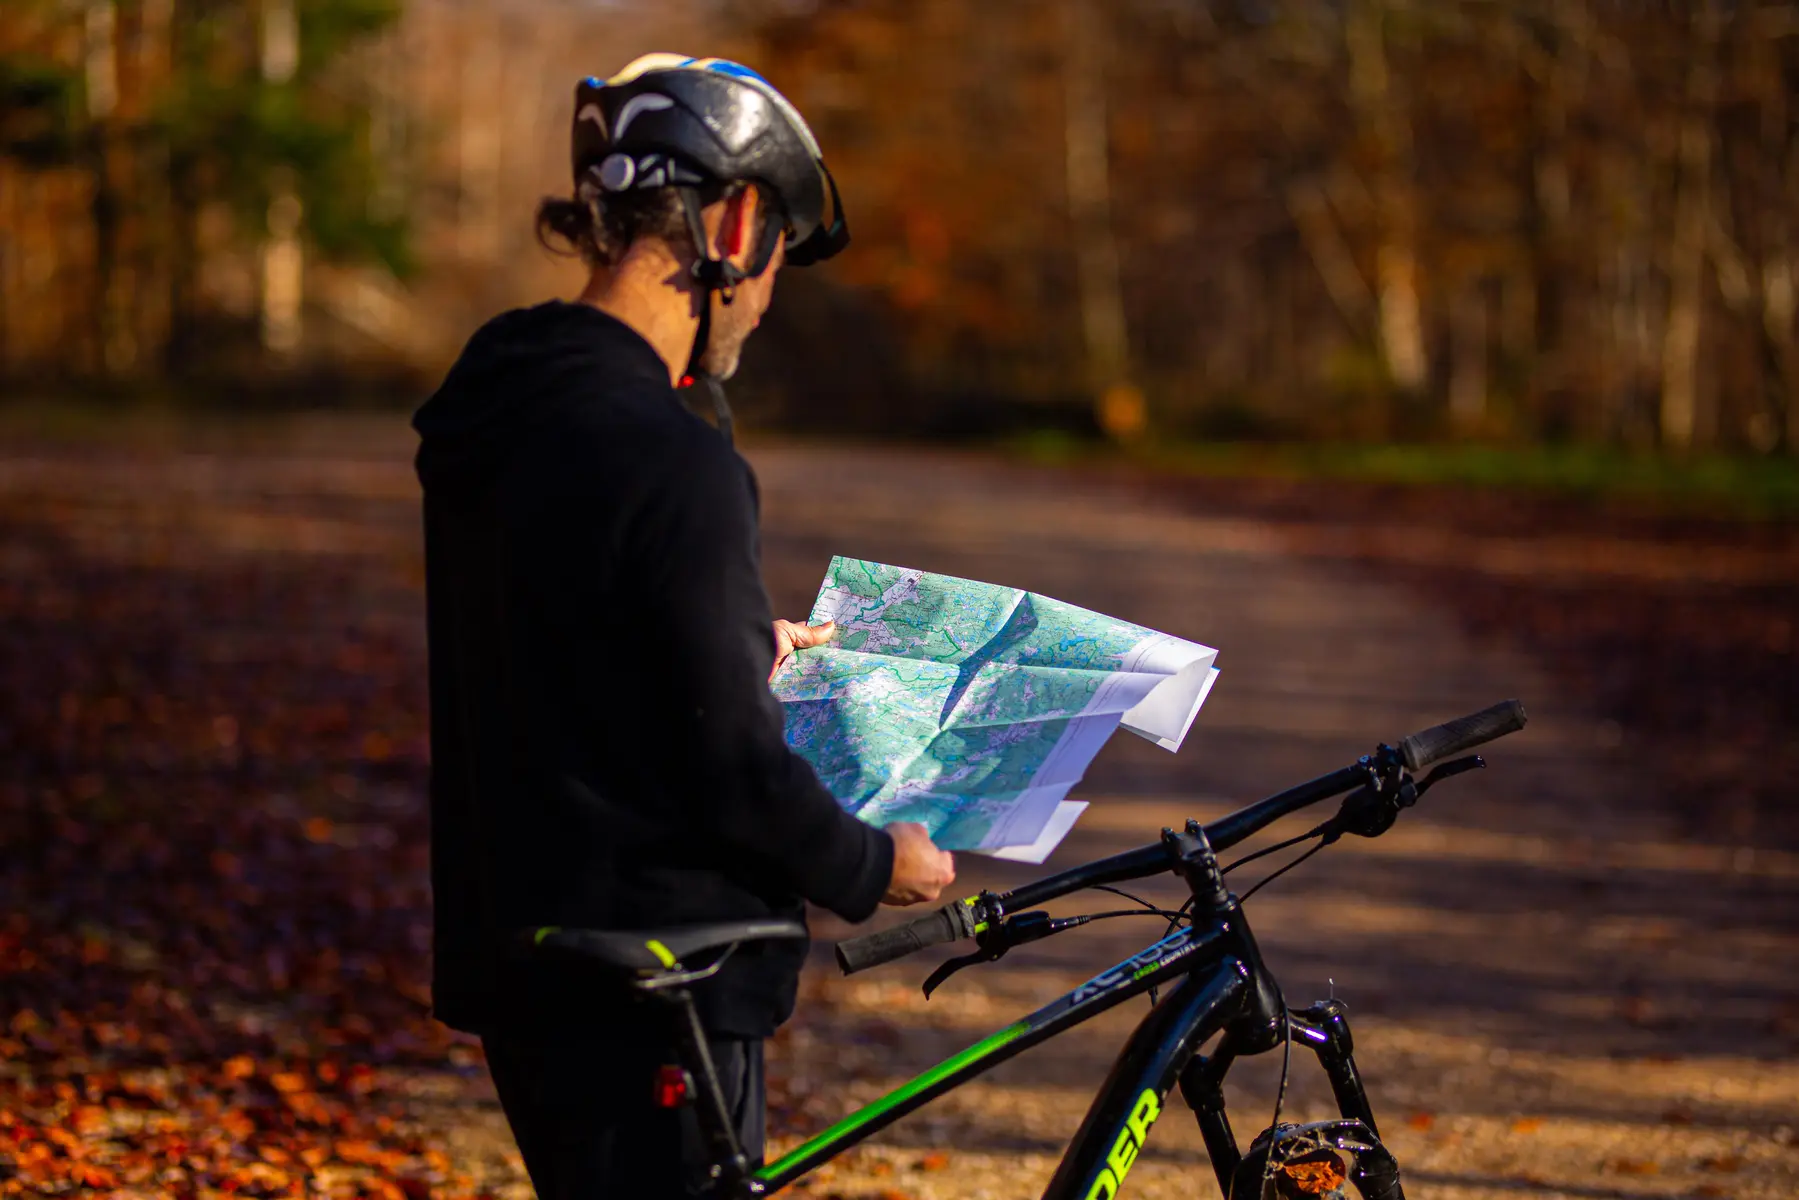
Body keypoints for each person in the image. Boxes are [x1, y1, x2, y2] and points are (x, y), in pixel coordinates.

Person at [410, 54, 957, 1199]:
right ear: (738, 219)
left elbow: (558, 633)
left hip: (528, 951)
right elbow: (731, 772)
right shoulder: (676, 460)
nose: (764, 296)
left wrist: (729, 642)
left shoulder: (506, 401)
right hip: (663, 975)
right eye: (776, 264)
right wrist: (874, 862)